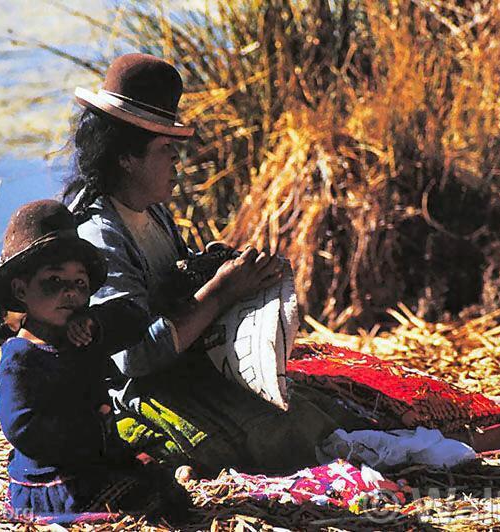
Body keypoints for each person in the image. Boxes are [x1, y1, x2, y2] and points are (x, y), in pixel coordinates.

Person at [63, 53, 368, 476]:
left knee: (324, 407)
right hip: (138, 389)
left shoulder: (153, 213)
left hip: (180, 367)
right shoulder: (101, 235)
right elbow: (132, 358)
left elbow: (171, 288)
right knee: (279, 434)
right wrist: (222, 290)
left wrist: (209, 268)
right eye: (166, 150)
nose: (177, 162)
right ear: (125, 158)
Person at [0, 200, 191, 524]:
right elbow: (22, 427)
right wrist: (87, 425)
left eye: (79, 283)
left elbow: (134, 317)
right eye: (54, 281)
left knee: (163, 482)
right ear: (21, 289)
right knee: (147, 497)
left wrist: (95, 321)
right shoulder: (22, 357)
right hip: (54, 479)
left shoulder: (82, 332)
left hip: (92, 460)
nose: (70, 293)